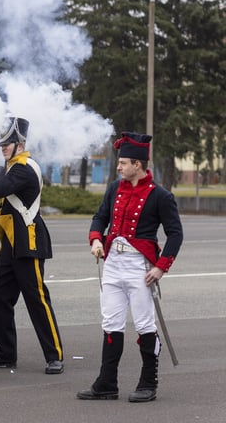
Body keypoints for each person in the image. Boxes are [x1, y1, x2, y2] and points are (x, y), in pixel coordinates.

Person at [77, 132, 183, 402]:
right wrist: (96, 239)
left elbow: (175, 234)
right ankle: (107, 384)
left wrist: (160, 267)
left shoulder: (161, 196)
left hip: (140, 266)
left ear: (138, 164)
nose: (119, 167)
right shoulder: (114, 188)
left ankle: (148, 382)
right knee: (111, 322)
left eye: (123, 163)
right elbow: (100, 217)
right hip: (113, 263)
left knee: (145, 324)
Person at [0, 117, 64, 374]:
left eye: (7, 144)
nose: (3, 148)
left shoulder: (23, 168)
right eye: (2, 145)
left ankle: (55, 355)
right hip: (12, 243)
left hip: (28, 241)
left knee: (37, 299)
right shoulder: (12, 167)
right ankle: (5, 353)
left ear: (19, 143)